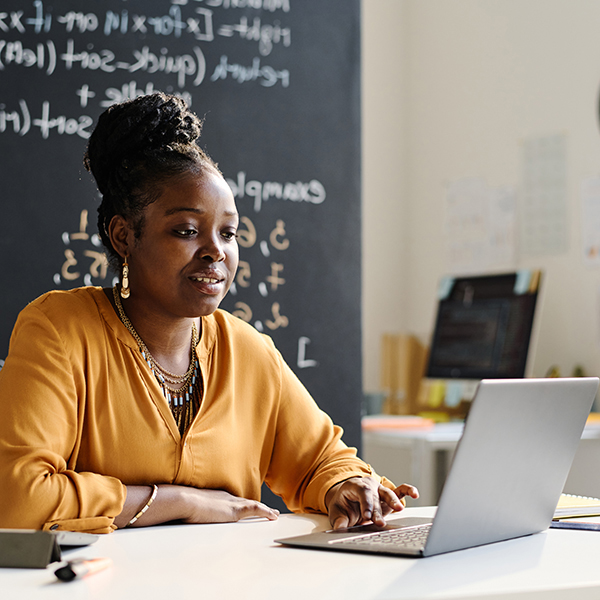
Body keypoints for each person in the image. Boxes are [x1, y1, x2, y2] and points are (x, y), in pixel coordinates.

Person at [0, 92, 417, 534]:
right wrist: (181, 502)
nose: (215, 252)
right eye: (186, 231)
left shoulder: (248, 350)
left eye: (229, 233)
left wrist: (345, 485)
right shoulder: (59, 330)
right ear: (123, 236)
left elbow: (321, 461)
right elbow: (18, 498)